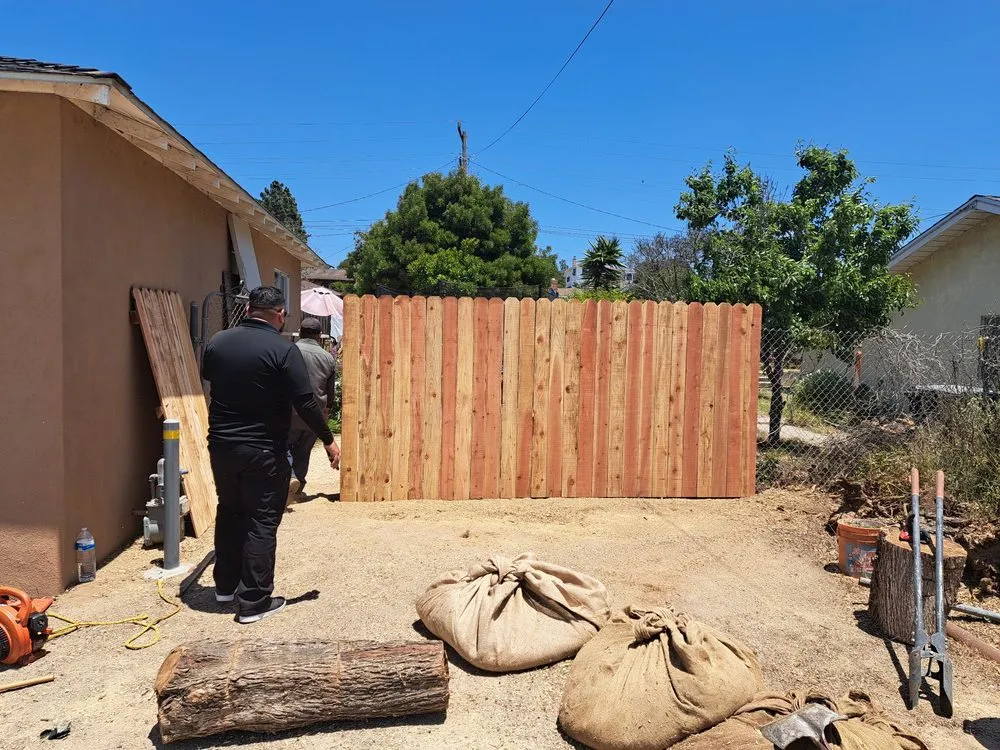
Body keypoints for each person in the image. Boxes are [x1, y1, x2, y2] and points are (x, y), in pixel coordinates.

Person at [201, 286, 341, 624]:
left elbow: (208, 376)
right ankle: (253, 601)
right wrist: (327, 439)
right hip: (263, 448)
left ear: (248, 309)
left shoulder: (218, 342)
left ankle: (224, 585)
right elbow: (305, 401)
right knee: (262, 520)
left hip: (221, 445)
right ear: (279, 315)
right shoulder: (283, 349)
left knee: (230, 510)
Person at [286, 317, 338, 501]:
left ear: (300, 332)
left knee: (284, 447)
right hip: (314, 414)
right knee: (303, 450)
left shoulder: (289, 351)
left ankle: (288, 479)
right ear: (318, 335)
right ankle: (297, 485)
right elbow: (329, 394)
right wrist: (325, 413)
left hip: (289, 411)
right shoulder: (327, 358)